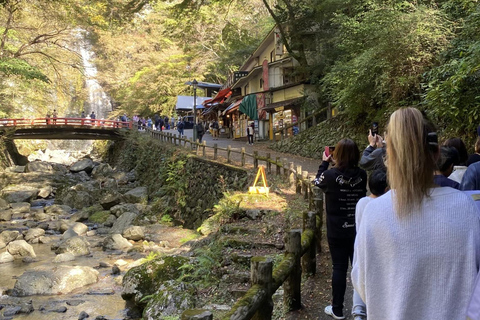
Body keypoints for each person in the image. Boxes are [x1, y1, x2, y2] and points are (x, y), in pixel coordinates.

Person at [352, 107, 480, 320]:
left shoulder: (373, 213)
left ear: (388, 157)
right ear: (437, 154)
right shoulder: (467, 208)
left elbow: (362, 285)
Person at [314, 139, 367, 320]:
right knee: (358, 267)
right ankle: (361, 310)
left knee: (339, 267)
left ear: (337, 155)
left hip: (336, 228)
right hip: (357, 228)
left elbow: (317, 181)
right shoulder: (363, 175)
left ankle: (337, 309)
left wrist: (324, 162)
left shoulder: (330, 176)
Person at [352, 169, 388, 320]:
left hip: (361, 243)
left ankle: (358, 311)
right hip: (379, 246)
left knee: (359, 273)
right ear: (387, 189)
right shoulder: (384, 206)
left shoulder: (362, 202)